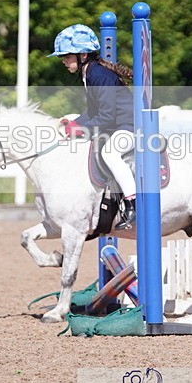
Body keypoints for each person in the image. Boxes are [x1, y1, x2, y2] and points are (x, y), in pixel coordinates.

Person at [49, 24, 136, 229]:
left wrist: (80, 130)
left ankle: (133, 202)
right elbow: (92, 112)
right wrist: (74, 123)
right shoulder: (89, 73)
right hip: (116, 124)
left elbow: (106, 116)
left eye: (67, 55)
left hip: (130, 126)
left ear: (83, 54)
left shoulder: (99, 75)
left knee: (111, 153)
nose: (63, 60)